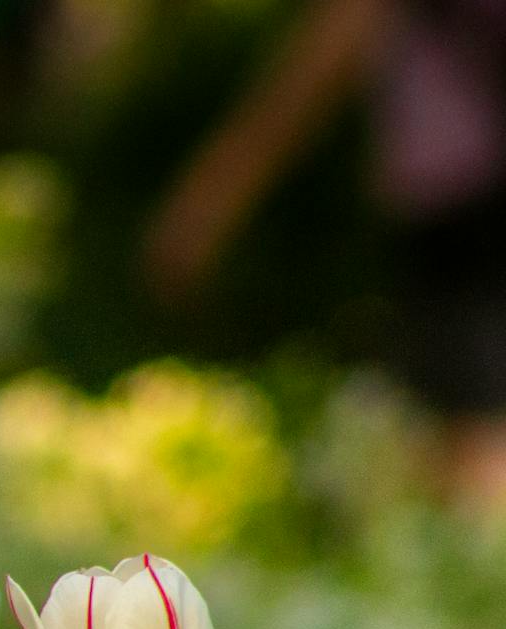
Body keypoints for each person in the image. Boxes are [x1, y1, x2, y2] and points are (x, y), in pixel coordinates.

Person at [145, 0, 506, 505]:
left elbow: (334, 41)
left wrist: (217, 190)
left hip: (463, 202)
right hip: (461, 208)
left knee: (473, 452)